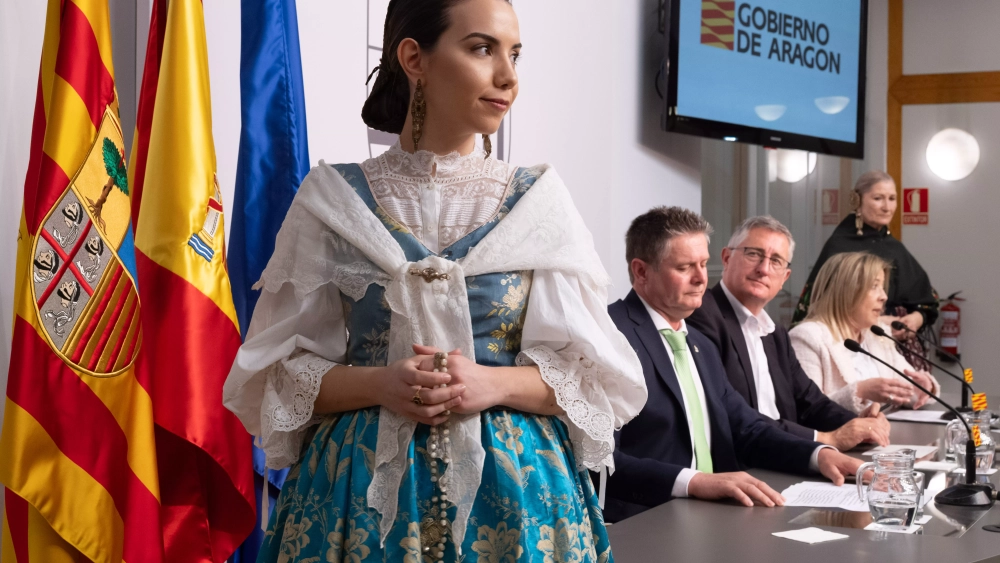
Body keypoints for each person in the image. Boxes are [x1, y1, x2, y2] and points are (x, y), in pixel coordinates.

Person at [223, 1, 647, 560]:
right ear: (414, 58)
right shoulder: (332, 200)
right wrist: (379, 384)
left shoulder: (539, 204)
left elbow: (591, 380)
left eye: (515, 54)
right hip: (360, 495)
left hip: (516, 497)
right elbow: (279, 374)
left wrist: (494, 384)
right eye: (482, 48)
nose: (508, 76)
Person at [604, 207, 862, 523]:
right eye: (684, 267)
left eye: (703, 264)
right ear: (641, 271)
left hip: (715, 516)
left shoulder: (700, 343)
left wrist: (818, 455)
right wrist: (694, 482)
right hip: (643, 522)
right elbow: (601, 462)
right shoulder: (608, 336)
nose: (701, 278)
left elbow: (747, 429)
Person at [687, 216, 890, 451]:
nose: (763, 269)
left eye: (775, 261)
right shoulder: (701, 316)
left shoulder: (776, 334)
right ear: (726, 258)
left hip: (787, 456)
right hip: (742, 463)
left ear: (784, 277)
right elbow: (732, 415)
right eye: (753, 254)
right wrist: (823, 438)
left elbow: (811, 403)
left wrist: (860, 423)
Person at [792, 170, 939, 369]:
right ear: (857, 200)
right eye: (878, 198)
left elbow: (926, 300)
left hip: (894, 353)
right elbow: (822, 308)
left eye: (892, 198)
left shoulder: (895, 247)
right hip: (849, 350)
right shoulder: (840, 246)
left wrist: (916, 319)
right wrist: (877, 322)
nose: (887, 207)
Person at [790, 252, 940, 414]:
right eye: (874, 286)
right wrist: (860, 392)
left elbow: (903, 388)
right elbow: (808, 411)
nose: (884, 297)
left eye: (883, 287)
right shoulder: (807, 337)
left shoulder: (876, 334)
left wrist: (922, 387)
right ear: (845, 291)